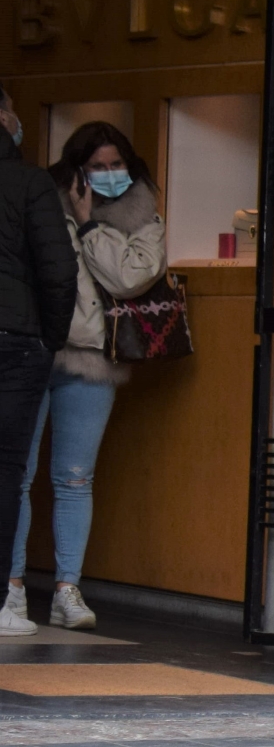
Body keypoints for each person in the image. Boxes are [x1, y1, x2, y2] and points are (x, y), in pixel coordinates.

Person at [7, 121, 164, 632]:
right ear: (76, 167)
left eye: (116, 164)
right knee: (17, 475)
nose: (108, 174)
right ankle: (10, 588)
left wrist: (89, 225)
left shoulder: (143, 212)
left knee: (75, 478)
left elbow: (131, 275)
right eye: (96, 166)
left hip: (95, 357)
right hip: (37, 351)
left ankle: (66, 591)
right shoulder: (38, 199)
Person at [0, 87, 75, 637]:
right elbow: (57, 271)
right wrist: (47, 339)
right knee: (5, 473)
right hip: (14, 343)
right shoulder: (30, 183)